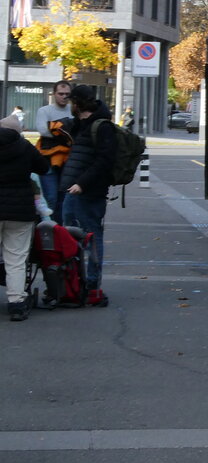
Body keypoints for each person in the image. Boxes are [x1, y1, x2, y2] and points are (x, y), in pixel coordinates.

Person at [60, 84, 115, 306]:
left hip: (90, 191)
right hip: (73, 189)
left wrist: (82, 184)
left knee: (92, 236)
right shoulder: (80, 124)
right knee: (68, 235)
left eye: (71, 101)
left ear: (78, 103)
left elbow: (104, 160)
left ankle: (93, 285)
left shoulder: (102, 126)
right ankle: (72, 283)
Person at [0, 115, 50, 321]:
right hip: (20, 211)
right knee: (16, 259)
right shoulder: (24, 147)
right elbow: (44, 168)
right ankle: (16, 303)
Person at [36, 81, 74, 221]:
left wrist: (56, 129)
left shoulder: (73, 110)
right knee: (50, 197)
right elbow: (43, 131)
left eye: (67, 94)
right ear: (54, 94)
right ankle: (48, 227)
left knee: (64, 198)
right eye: (61, 94)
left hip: (68, 160)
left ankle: (60, 228)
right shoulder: (44, 111)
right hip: (48, 159)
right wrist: (66, 134)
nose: (64, 96)